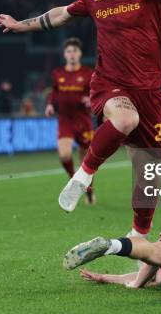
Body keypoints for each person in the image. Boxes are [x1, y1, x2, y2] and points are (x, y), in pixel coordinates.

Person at [0, 0, 161, 237]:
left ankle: (138, 236)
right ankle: (83, 175)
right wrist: (21, 25)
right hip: (110, 83)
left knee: (148, 176)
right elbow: (60, 15)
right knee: (125, 119)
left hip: (150, 90)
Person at [45, 37, 96, 204]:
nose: (72, 54)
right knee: (64, 154)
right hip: (65, 119)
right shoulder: (58, 73)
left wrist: (91, 100)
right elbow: (53, 92)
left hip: (83, 119)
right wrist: (50, 105)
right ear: (64, 55)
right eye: (69, 51)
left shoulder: (88, 73)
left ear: (80, 54)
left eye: (75, 51)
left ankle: (89, 192)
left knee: (86, 161)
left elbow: (97, 91)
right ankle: (74, 179)